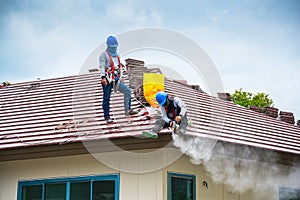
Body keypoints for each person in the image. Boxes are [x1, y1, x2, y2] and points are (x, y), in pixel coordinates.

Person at [99, 35, 137, 123]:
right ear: (108, 46)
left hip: (116, 78)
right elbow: (101, 66)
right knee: (106, 98)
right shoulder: (103, 55)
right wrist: (103, 77)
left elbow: (119, 66)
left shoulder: (117, 54)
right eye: (112, 47)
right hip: (108, 79)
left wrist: (121, 77)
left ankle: (127, 110)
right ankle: (107, 116)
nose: (113, 49)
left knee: (127, 91)